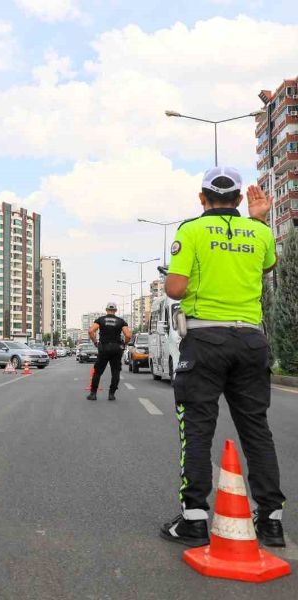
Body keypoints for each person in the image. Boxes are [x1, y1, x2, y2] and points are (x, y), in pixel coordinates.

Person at [159, 166, 285, 548]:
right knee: (256, 429)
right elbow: (267, 266)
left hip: (205, 340)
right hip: (250, 340)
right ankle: (271, 521)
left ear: (202, 198)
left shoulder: (191, 230)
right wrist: (257, 221)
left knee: (197, 427)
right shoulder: (261, 232)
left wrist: (177, 276)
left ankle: (194, 519)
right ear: (238, 199)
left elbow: (176, 289)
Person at [87, 302, 131, 402]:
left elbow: (90, 331)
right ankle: (111, 394)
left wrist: (95, 342)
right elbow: (128, 335)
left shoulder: (100, 320)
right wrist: (124, 344)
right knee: (115, 372)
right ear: (115, 311)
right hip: (116, 348)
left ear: (106, 310)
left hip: (104, 348)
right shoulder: (121, 321)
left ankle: (93, 394)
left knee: (98, 372)